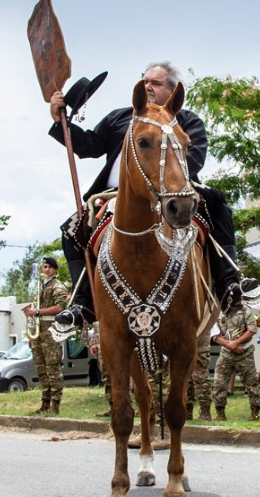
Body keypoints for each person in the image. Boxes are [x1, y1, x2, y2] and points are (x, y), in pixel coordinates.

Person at [46, 62, 242, 338]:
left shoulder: (186, 121)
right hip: (113, 196)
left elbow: (194, 158)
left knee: (218, 204)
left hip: (171, 190)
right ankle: (83, 304)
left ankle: (228, 284)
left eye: (157, 83)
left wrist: (166, 183)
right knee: (70, 231)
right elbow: (89, 145)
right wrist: (60, 121)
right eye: (145, 81)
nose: (148, 86)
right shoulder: (119, 118)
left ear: (172, 92)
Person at [211, 278, 260, 421]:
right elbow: (215, 334)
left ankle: (255, 413)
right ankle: (220, 413)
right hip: (226, 354)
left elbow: (252, 329)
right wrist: (230, 345)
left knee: (251, 384)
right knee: (219, 383)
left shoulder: (245, 310)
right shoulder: (220, 313)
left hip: (245, 353)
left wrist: (236, 343)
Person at [24, 256, 69, 415]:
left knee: (52, 368)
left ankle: (55, 404)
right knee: (41, 369)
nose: (46, 269)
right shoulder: (39, 287)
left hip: (51, 331)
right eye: (44, 267)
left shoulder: (58, 286)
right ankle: (45, 403)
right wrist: (31, 335)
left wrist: (37, 312)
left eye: (50, 267)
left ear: (55, 269)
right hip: (39, 332)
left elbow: (60, 307)